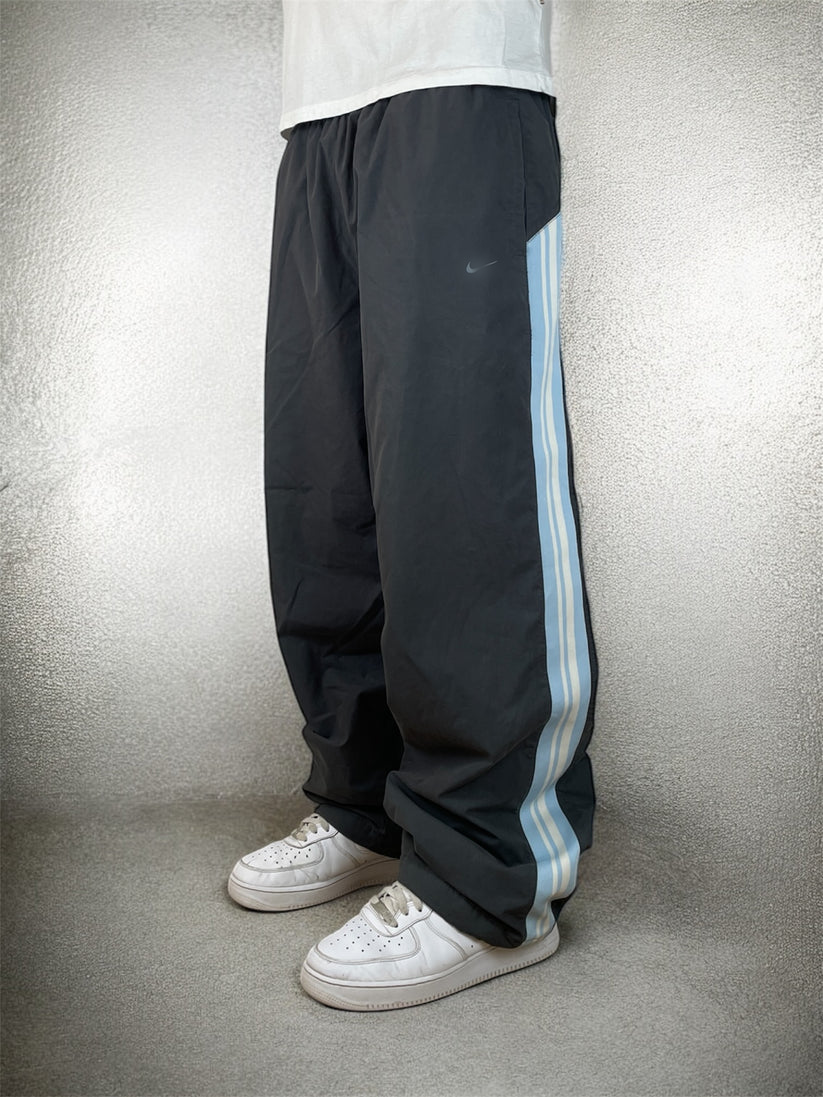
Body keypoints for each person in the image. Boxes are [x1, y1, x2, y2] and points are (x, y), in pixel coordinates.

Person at [228, 0, 598, 1012]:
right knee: (326, 486)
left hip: (460, 68)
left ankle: (489, 867)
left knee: (464, 477)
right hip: (319, 99)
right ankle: (369, 802)